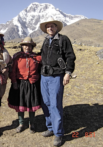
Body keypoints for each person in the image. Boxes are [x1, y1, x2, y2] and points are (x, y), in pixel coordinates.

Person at [39, 17, 76, 146]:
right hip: (44, 76)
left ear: (56, 28)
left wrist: (68, 73)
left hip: (57, 76)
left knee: (55, 104)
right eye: (48, 26)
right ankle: (50, 127)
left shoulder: (63, 39)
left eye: (52, 26)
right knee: (45, 103)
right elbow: (41, 56)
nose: (50, 28)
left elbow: (70, 56)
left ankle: (58, 133)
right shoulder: (45, 41)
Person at [8, 37, 42, 133]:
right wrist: (14, 82)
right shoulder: (17, 57)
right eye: (25, 45)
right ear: (22, 46)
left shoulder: (37, 58)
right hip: (20, 84)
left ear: (32, 47)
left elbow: (42, 68)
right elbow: (13, 71)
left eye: (29, 45)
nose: (27, 47)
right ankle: (21, 123)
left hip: (33, 84)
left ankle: (32, 123)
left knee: (32, 104)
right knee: (20, 104)